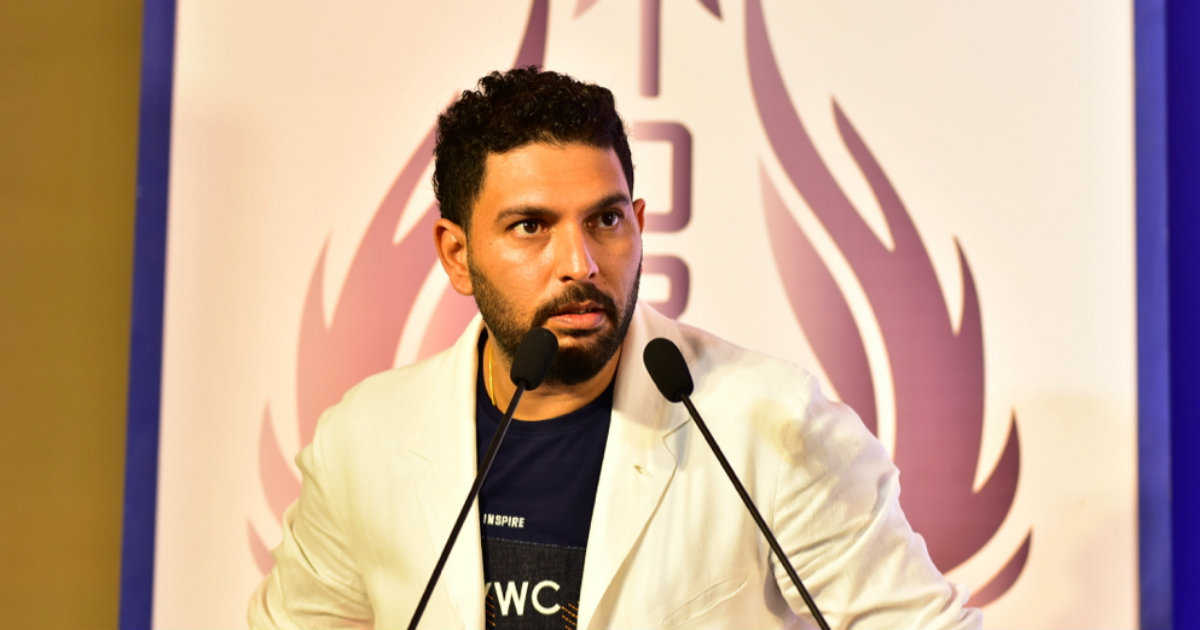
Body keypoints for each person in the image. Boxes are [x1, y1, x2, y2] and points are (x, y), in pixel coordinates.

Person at [248, 67, 981, 630]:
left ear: (638, 224)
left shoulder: (772, 423)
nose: (581, 264)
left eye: (604, 220)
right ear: (457, 255)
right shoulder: (364, 441)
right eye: (531, 227)